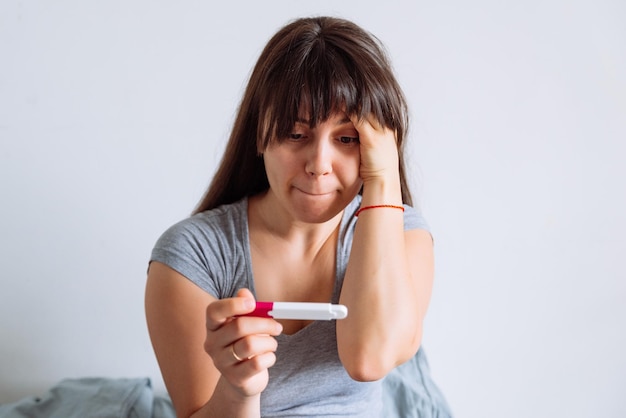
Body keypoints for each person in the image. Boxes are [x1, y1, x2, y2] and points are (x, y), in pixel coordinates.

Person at [145, 16, 451, 418]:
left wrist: (384, 177)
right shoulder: (192, 255)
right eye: (295, 134)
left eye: (347, 139)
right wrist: (238, 391)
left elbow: (368, 361)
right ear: (261, 134)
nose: (319, 164)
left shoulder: (402, 232)